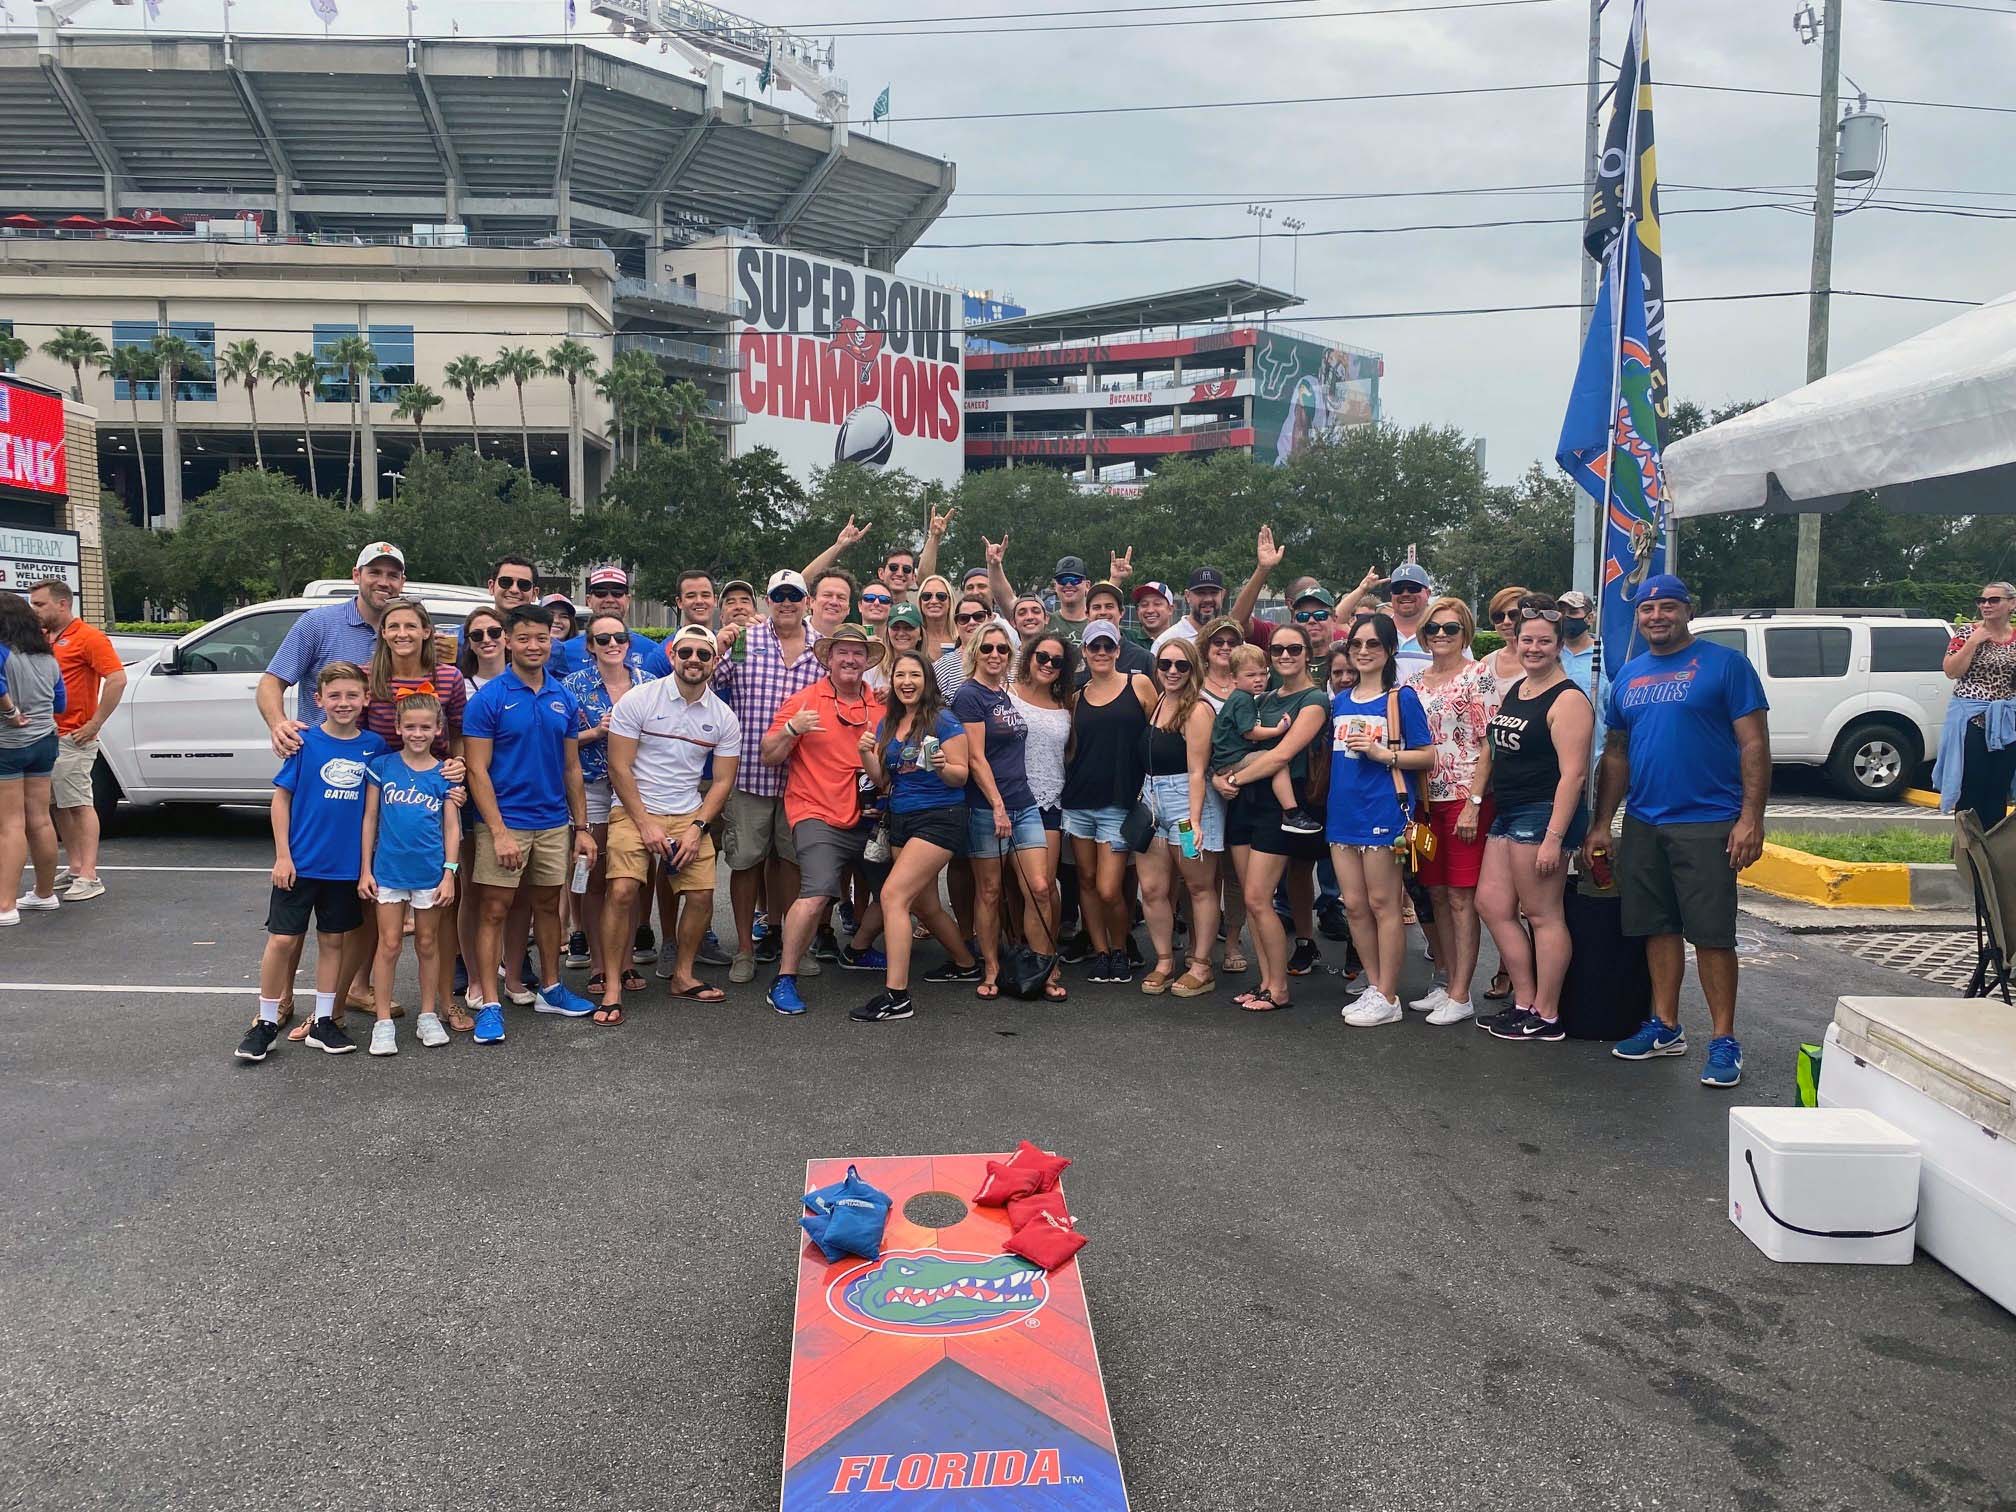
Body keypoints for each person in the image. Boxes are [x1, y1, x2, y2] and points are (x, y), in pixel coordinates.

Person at [1585, 575, 1768, 1088]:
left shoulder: (1726, 666)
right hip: (1645, 820)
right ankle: (1665, 1025)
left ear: (1688, 611)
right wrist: (1603, 823)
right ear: (1638, 616)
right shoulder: (1630, 676)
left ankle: (1724, 1038)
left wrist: (1751, 817)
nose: (1657, 617)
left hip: (1709, 820)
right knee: (1656, 927)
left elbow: (1753, 744)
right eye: (1648, 609)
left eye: (1668, 607)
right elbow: (1616, 753)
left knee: (1711, 935)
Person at [234, 662, 386, 1061]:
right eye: (334, 695)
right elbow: (281, 799)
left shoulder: (374, 747)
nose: (343, 703)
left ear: (366, 699)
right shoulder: (305, 743)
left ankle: (323, 1020)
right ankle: (266, 1022)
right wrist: (283, 856)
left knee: (333, 941)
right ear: (318, 700)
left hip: (346, 868)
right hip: (300, 864)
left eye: (352, 695)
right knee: (282, 940)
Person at [462, 603, 599, 1044]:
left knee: (547, 906)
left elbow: (572, 769)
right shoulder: (489, 699)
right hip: (506, 823)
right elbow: (476, 770)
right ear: (507, 640)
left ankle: (552, 989)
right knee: (495, 910)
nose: (533, 646)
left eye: (541, 638)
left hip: (554, 822)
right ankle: (489, 1005)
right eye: (523, 638)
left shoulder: (563, 695)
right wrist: (498, 831)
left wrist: (581, 828)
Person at [761, 625, 915, 1015]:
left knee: (896, 894)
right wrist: (793, 729)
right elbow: (769, 754)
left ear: (867, 662)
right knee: (815, 896)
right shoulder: (804, 701)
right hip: (818, 812)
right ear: (828, 658)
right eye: (842, 652)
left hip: (870, 818)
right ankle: (784, 978)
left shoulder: (883, 704)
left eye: (858, 654)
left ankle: (858, 949)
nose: (850, 660)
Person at [1471, 594, 1594, 1042]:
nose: (1534, 648)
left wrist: (1553, 838)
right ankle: (1523, 1000)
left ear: (1559, 644)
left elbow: (1573, 774)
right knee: (1492, 904)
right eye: (1527, 640)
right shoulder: (1519, 689)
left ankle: (1547, 1013)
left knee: (1543, 914)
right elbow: (1493, 747)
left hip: (1543, 814)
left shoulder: (1568, 700)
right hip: (1508, 811)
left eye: (1544, 641)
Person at [604, 624, 740, 1020]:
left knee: (700, 897)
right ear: (672, 656)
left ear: (715, 661)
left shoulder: (724, 716)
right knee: (624, 890)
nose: (694, 660)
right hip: (634, 809)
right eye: (686, 653)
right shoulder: (639, 699)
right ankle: (612, 986)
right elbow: (619, 766)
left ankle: (683, 975)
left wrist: (698, 829)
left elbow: (723, 781)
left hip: (687, 813)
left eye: (703, 654)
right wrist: (645, 824)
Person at [852, 650, 981, 1021]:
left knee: (893, 895)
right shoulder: (889, 723)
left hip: (941, 817)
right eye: (900, 675)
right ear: (892, 682)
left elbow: (961, 776)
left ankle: (897, 996)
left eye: (915, 675)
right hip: (901, 819)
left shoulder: (944, 721)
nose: (906, 682)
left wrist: (943, 766)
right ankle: (965, 961)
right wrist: (866, 755)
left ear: (927, 681)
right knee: (924, 904)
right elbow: (883, 781)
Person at [712, 568, 822, 984]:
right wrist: (718, 643)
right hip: (750, 779)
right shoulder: (745, 642)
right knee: (745, 865)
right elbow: (710, 678)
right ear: (768, 601)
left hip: (803, 780)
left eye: (795, 594)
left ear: (807, 601)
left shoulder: (821, 648)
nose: (788, 602)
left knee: (795, 865)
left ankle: (797, 946)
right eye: (780, 595)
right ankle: (744, 949)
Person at [1213, 622, 1331, 1012]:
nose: (1284, 656)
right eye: (1277, 650)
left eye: (1293, 650)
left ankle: (1278, 988)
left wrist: (1233, 778)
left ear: (1307, 654)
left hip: (1279, 804)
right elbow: (1241, 738)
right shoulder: (1262, 698)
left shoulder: (1313, 700)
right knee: (1251, 899)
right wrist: (1224, 779)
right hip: (1247, 801)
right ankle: (1265, 982)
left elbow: (1280, 755)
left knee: (1260, 898)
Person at [1324, 615, 1435, 1027]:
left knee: (1383, 903)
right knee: (1353, 905)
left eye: (1373, 644)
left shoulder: (1400, 698)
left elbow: (1427, 756)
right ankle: (1375, 986)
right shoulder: (1341, 699)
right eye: (1357, 644)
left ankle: (1389, 993)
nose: (1364, 651)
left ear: (1389, 649)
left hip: (1383, 811)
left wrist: (1382, 755)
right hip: (1341, 813)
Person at [1405, 597, 1494, 1026]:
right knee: (1436, 892)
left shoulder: (1478, 676)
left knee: (1462, 897)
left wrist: (1474, 804)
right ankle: (1445, 982)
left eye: (1451, 629)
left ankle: (1462, 993)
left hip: (1463, 797)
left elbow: (1487, 744)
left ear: (1466, 633)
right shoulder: (1416, 683)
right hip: (1426, 800)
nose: (1441, 635)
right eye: (1434, 628)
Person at [955, 623, 1055, 999]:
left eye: (1001, 650)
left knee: (1041, 889)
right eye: (987, 649)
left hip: (1024, 802)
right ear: (975, 652)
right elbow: (976, 758)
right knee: (991, 891)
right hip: (986, 807)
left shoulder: (1006, 693)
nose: (994, 655)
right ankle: (993, 966)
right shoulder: (970, 695)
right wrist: (997, 806)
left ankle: (1041, 964)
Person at [357, 692, 460, 1055]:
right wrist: (365, 869)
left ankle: (428, 1015)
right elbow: (370, 818)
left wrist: (449, 873)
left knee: (428, 943)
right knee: (389, 944)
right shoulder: (383, 767)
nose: (418, 733)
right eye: (410, 726)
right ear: (398, 727)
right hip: (388, 871)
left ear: (437, 729)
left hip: (430, 873)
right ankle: (383, 1022)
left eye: (425, 727)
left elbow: (451, 828)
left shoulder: (444, 773)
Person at [564, 610, 656, 1006]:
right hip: (595, 786)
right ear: (590, 646)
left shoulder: (649, 683)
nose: (612, 644)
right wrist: (596, 732)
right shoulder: (573, 685)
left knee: (630, 876)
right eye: (603, 639)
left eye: (619, 637)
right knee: (597, 877)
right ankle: (601, 963)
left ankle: (624, 958)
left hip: (639, 785)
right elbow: (562, 742)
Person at [1061, 620, 1155, 983]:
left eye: (1108, 647)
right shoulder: (1076, 696)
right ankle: (1101, 951)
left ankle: (1120, 946)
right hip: (1079, 800)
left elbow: (1156, 732)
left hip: (1119, 801)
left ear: (1118, 649)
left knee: (1109, 887)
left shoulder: (1139, 683)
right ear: (1084, 652)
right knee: (1085, 879)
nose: (1101, 653)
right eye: (1094, 647)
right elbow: (1068, 748)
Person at [260, 541, 408, 759]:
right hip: (320, 758)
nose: (383, 582)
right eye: (374, 572)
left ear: (402, 582)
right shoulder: (318, 624)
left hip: (387, 767)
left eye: (392, 575)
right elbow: (271, 682)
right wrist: (279, 724)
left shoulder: (409, 636)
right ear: (356, 575)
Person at [28, 578, 125, 902]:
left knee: (79, 804)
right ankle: (75, 866)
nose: (34, 610)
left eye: (39, 604)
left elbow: (117, 678)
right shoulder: (43, 637)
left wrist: (94, 723)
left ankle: (90, 874)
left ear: (62, 604)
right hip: (45, 735)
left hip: (74, 736)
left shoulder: (89, 637)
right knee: (57, 805)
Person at [1137, 636, 1223, 998]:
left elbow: (1197, 771)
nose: (1172, 672)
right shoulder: (1158, 702)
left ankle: (1201, 964)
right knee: (1154, 888)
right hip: (1152, 803)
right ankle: (1163, 961)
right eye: (1165, 665)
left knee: (1199, 885)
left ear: (1193, 669)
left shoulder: (1198, 709)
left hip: (1188, 805)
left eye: (1181, 665)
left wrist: (1196, 821)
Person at [1012, 633, 1075, 999]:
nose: (1049, 664)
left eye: (1057, 661)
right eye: (1042, 657)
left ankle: (1045, 963)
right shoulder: (1006, 694)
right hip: (1011, 799)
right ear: (1029, 657)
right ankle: (1006, 961)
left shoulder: (1066, 702)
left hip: (1051, 801)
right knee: (1006, 891)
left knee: (1042, 888)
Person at [0, 590, 64, 924]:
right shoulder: (48, 657)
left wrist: (11, 711)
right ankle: (44, 893)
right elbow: (60, 704)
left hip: (7, 744)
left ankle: (5, 905)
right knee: (39, 818)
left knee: (9, 824)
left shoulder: (2, 652)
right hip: (45, 742)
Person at [1210, 645, 1318, 832]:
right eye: (1250, 675)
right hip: (1231, 760)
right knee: (1276, 762)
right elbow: (1250, 732)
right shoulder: (1243, 699)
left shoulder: (1246, 697)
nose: (1258, 680)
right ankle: (1291, 813)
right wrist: (1277, 730)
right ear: (1234, 678)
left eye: (1262, 674)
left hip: (1229, 760)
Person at [1937, 580, 2016, 828]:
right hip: (1972, 718)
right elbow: (1951, 671)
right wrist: (1973, 642)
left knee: (1998, 786)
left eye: (1994, 600)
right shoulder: (1966, 633)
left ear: (2011, 604)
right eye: (1982, 600)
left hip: (2006, 721)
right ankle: (1967, 848)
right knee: (1971, 784)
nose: (1986, 605)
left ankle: (1992, 852)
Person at [554, 566, 673, 678]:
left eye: (617, 593)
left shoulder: (651, 650)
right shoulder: (564, 652)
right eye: (601, 593)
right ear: (589, 600)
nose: (610, 599)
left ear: (628, 600)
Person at [1083, 582, 1153, 676]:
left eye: (1109, 606)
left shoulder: (1143, 658)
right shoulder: (1076, 661)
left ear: (1121, 612)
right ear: (1087, 614)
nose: (1103, 612)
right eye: (1097, 607)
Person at [1385, 560, 1438, 681]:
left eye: (1413, 588)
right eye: (1398, 589)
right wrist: (1362, 589)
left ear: (1428, 593)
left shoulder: (1447, 631)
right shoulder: (1377, 631)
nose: (1405, 594)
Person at [458, 605, 509, 690]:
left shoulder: (526, 681)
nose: (486, 640)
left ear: (507, 636)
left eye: (494, 632)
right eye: (476, 635)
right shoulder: (459, 688)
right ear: (469, 642)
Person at [809, 568, 856, 639]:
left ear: (848, 609)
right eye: (827, 595)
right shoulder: (790, 632)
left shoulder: (856, 643)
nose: (834, 602)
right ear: (811, 602)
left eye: (841, 597)